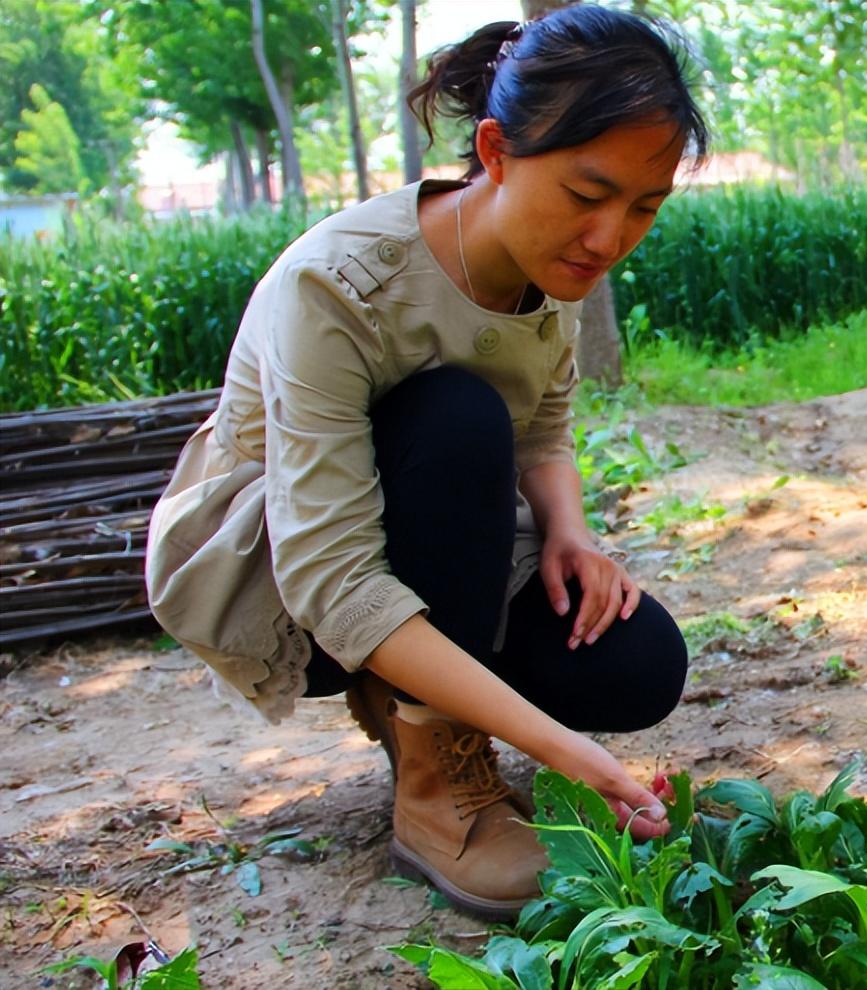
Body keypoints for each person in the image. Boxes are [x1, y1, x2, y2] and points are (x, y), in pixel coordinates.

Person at [145, 4, 709, 919]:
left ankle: (411, 695)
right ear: (493, 151)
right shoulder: (336, 285)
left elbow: (545, 421)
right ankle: (437, 794)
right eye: (586, 193)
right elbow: (330, 576)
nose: (609, 239)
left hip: (434, 524)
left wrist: (569, 529)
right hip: (275, 568)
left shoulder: (548, 261)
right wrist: (567, 754)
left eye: (644, 206)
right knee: (455, 417)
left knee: (636, 664)